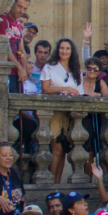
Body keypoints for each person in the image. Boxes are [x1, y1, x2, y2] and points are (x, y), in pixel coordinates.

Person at [40, 38, 85, 182]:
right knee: (56, 149)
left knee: (64, 150)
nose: (64, 51)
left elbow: (80, 92)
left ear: (72, 51)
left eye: (67, 48)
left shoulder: (76, 70)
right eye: (61, 48)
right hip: (54, 112)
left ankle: (58, 184)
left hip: (70, 114)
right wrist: (65, 88)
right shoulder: (49, 67)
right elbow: (45, 89)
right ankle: (51, 184)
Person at [0, 0, 30, 92]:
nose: (21, 11)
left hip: (17, 74)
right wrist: (20, 68)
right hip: (5, 71)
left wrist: (23, 70)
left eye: (24, 8)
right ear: (12, 4)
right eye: (19, 6)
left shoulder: (18, 25)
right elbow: (4, 48)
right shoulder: (2, 20)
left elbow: (22, 50)